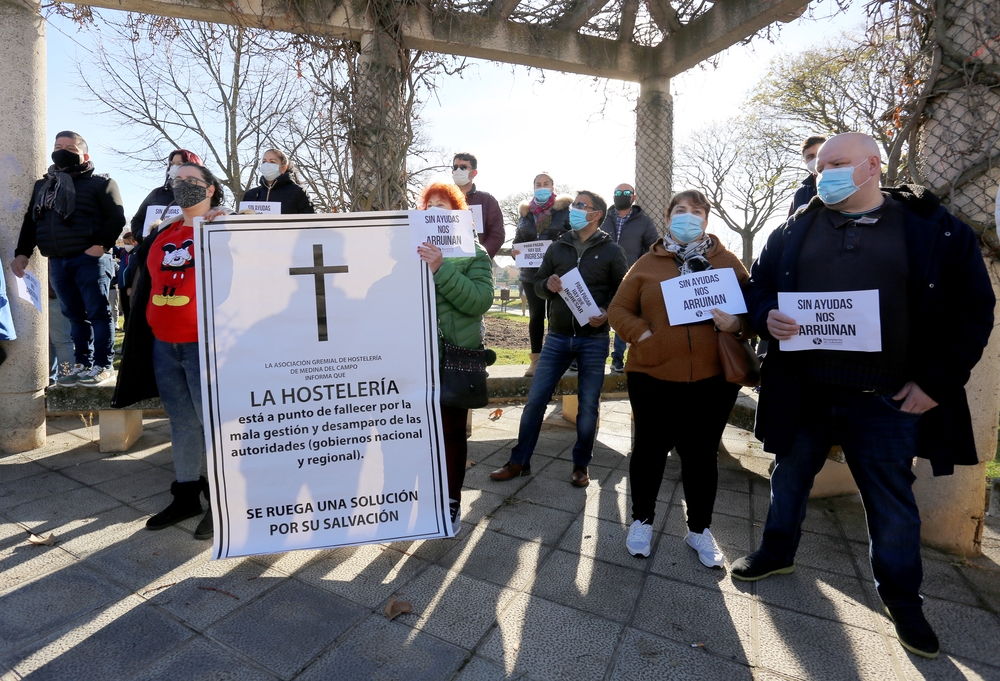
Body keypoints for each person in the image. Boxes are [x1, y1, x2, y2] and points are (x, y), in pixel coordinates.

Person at [732, 133, 994, 660]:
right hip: (805, 390)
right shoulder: (792, 229)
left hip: (886, 400)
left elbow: (973, 311)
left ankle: (902, 600)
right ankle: (776, 552)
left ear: (873, 166)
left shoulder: (934, 231)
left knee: (892, 504)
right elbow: (756, 288)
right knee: (789, 477)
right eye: (819, 164)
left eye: (837, 163)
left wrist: (937, 382)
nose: (822, 172)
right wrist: (765, 315)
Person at [608, 189, 753, 564]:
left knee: (701, 455)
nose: (689, 216)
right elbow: (618, 310)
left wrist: (738, 322)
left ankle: (700, 530)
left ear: (706, 219)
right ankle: (642, 521)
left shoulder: (727, 262)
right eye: (681, 210)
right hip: (653, 375)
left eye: (697, 211)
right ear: (669, 216)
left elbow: (755, 309)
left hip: (712, 379)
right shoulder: (645, 264)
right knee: (649, 451)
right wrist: (643, 336)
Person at [113, 162, 231, 541]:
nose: (182, 187)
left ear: (210, 189)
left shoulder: (221, 228)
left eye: (192, 182)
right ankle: (185, 496)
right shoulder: (165, 233)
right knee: (181, 423)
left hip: (205, 345)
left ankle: (222, 503)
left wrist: (228, 221)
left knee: (214, 426)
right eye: (176, 181)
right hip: (164, 344)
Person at [492, 191, 627, 487]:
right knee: (535, 400)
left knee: (588, 405)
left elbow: (623, 291)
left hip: (593, 340)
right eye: (575, 205)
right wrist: (547, 285)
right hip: (557, 337)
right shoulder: (558, 247)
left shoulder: (612, 251)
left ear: (596, 215)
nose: (575, 210)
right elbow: (538, 284)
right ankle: (519, 461)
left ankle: (581, 465)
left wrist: (606, 312)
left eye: (582, 206)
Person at [12, 130, 125, 388]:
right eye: (58, 145)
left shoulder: (101, 183)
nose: (62, 150)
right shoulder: (43, 186)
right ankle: (82, 364)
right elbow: (31, 222)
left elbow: (116, 218)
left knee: (98, 313)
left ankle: (103, 365)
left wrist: (100, 246)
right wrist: (22, 253)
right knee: (74, 315)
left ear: (84, 154)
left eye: (70, 148)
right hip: (58, 261)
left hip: (91, 260)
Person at [416, 182, 494, 534]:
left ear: (457, 213)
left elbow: (479, 300)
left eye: (443, 205)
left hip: (455, 360)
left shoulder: (475, 253)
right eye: (429, 204)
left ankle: (450, 501)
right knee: (413, 431)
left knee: (450, 433)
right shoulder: (409, 249)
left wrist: (441, 268)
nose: (435, 209)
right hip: (416, 356)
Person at [512, 173, 572, 376]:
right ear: (534, 188)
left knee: (555, 315)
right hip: (530, 274)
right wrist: (515, 252)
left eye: (546, 183)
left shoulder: (565, 211)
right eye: (538, 184)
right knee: (536, 315)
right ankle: (536, 361)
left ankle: (556, 359)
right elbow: (517, 241)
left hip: (557, 273)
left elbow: (572, 238)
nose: (542, 186)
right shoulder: (525, 213)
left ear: (553, 187)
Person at [600, 182, 660, 374]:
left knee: (623, 314)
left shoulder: (644, 221)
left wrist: (639, 267)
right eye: (618, 192)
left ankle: (617, 357)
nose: (622, 195)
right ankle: (590, 356)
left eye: (627, 192)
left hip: (628, 276)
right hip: (601, 273)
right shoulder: (603, 218)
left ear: (634, 197)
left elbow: (653, 246)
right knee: (596, 312)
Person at [130, 149, 202, 242]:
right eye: (172, 164)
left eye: (180, 164)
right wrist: (144, 238)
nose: (175, 167)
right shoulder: (156, 194)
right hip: (157, 250)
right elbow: (137, 221)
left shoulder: (204, 196)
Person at [451, 153, 505, 258]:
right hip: (446, 264)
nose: (458, 171)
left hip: (477, 266)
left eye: (463, 167)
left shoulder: (487, 200)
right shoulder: (440, 199)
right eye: (455, 167)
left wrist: (480, 256)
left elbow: (497, 235)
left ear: (474, 173)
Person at [241, 148, 315, 214]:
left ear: (283, 168)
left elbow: (310, 223)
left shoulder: (297, 192)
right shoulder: (250, 195)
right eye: (264, 161)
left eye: (272, 162)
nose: (267, 165)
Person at [787, 135, 826, 216]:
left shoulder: (850, 180)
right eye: (810, 156)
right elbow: (792, 225)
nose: (817, 159)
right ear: (805, 162)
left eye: (820, 153)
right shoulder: (800, 193)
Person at [114, 231, 138, 329]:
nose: (126, 246)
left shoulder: (137, 253)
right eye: (124, 244)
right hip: (122, 287)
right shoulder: (124, 252)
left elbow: (134, 271)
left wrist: (130, 286)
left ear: (134, 242)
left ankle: (131, 330)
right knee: (126, 311)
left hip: (131, 288)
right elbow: (114, 249)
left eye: (127, 243)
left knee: (132, 311)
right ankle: (127, 328)